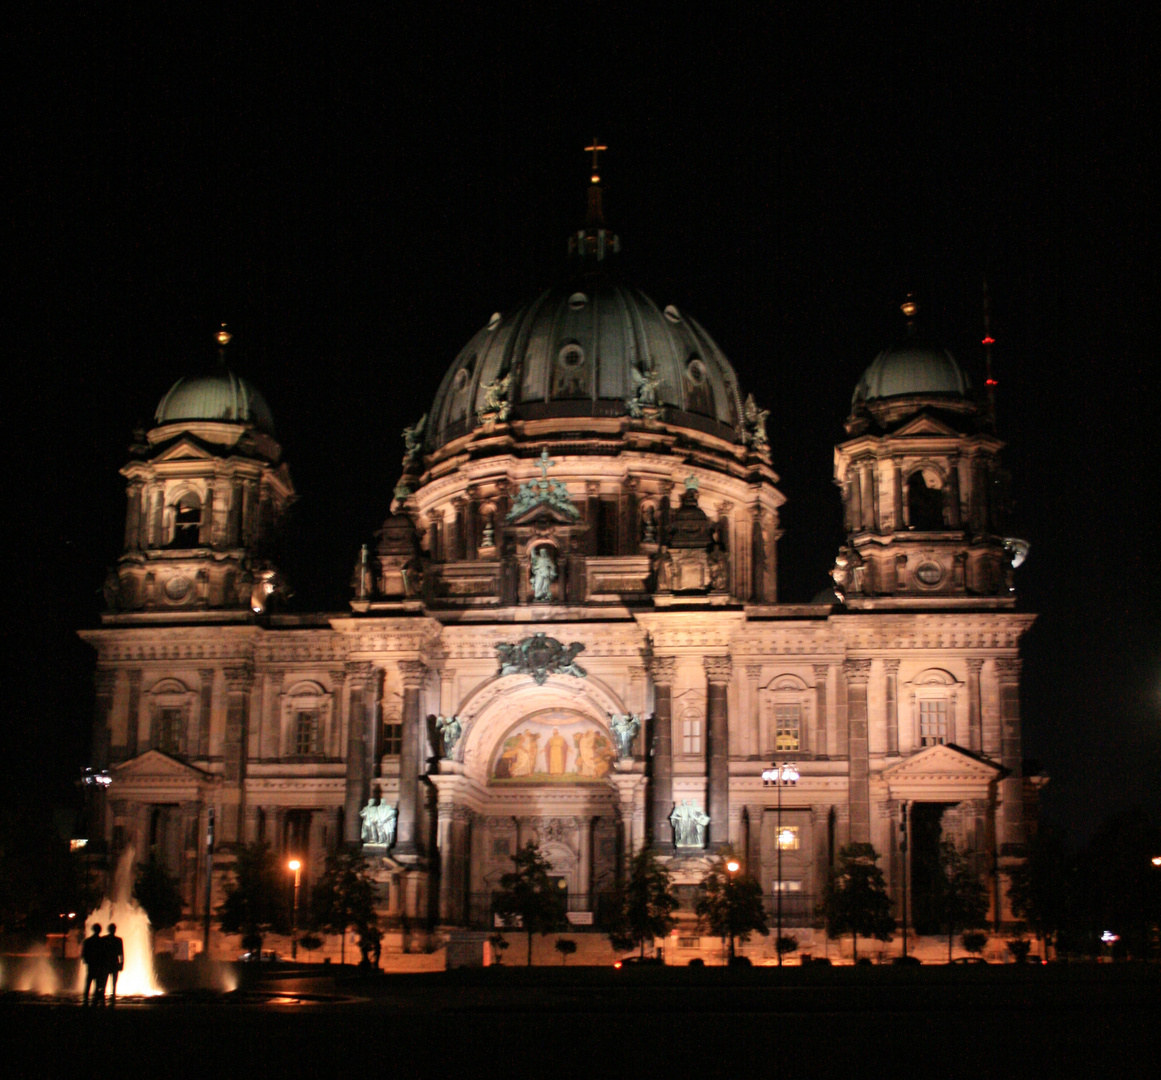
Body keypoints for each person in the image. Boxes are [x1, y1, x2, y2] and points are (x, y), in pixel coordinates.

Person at [82, 923, 106, 1006]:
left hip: (91, 965)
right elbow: (104, 954)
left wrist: (87, 962)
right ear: (100, 930)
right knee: (97, 983)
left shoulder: (88, 941)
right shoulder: (102, 942)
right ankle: (95, 999)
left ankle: (86, 998)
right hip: (98, 965)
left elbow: (84, 953)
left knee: (88, 983)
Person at [103, 923, 125, 1005]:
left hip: (106, 963)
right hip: (114, 963)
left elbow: (102, 953)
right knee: (113, 982)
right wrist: (121, 963)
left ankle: (103, 997)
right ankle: (112, 997)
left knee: (105, 981)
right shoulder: (118, 940)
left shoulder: (104, 939)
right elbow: (121, 953)